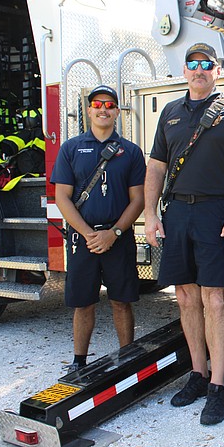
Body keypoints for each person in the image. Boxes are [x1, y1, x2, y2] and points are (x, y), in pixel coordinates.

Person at [144, 42, 224, 425]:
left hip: (217, 212)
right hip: (177, 211)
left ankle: (217, 386)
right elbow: (156, 167)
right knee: (184, 296)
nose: (199, 69)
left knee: (214, 298)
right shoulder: (170, 112)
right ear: (184, 71)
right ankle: (197, 373)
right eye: (192, 63)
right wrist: (150, 214)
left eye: (206, 64)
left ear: (216, 70)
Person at [51, 84, 146, 372]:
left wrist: (113, 233)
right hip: (84, 239)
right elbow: (62, 197)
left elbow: (138, 199)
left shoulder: (131, 152)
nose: (103, 109)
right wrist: (87, 234)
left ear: (117, 112)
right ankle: (79, 362)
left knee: (121, 301)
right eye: (97, 104)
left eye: (109, 105)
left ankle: (127, 357)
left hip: (118, 238)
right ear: (88, 110)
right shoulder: (70, 148)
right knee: (83, 303)